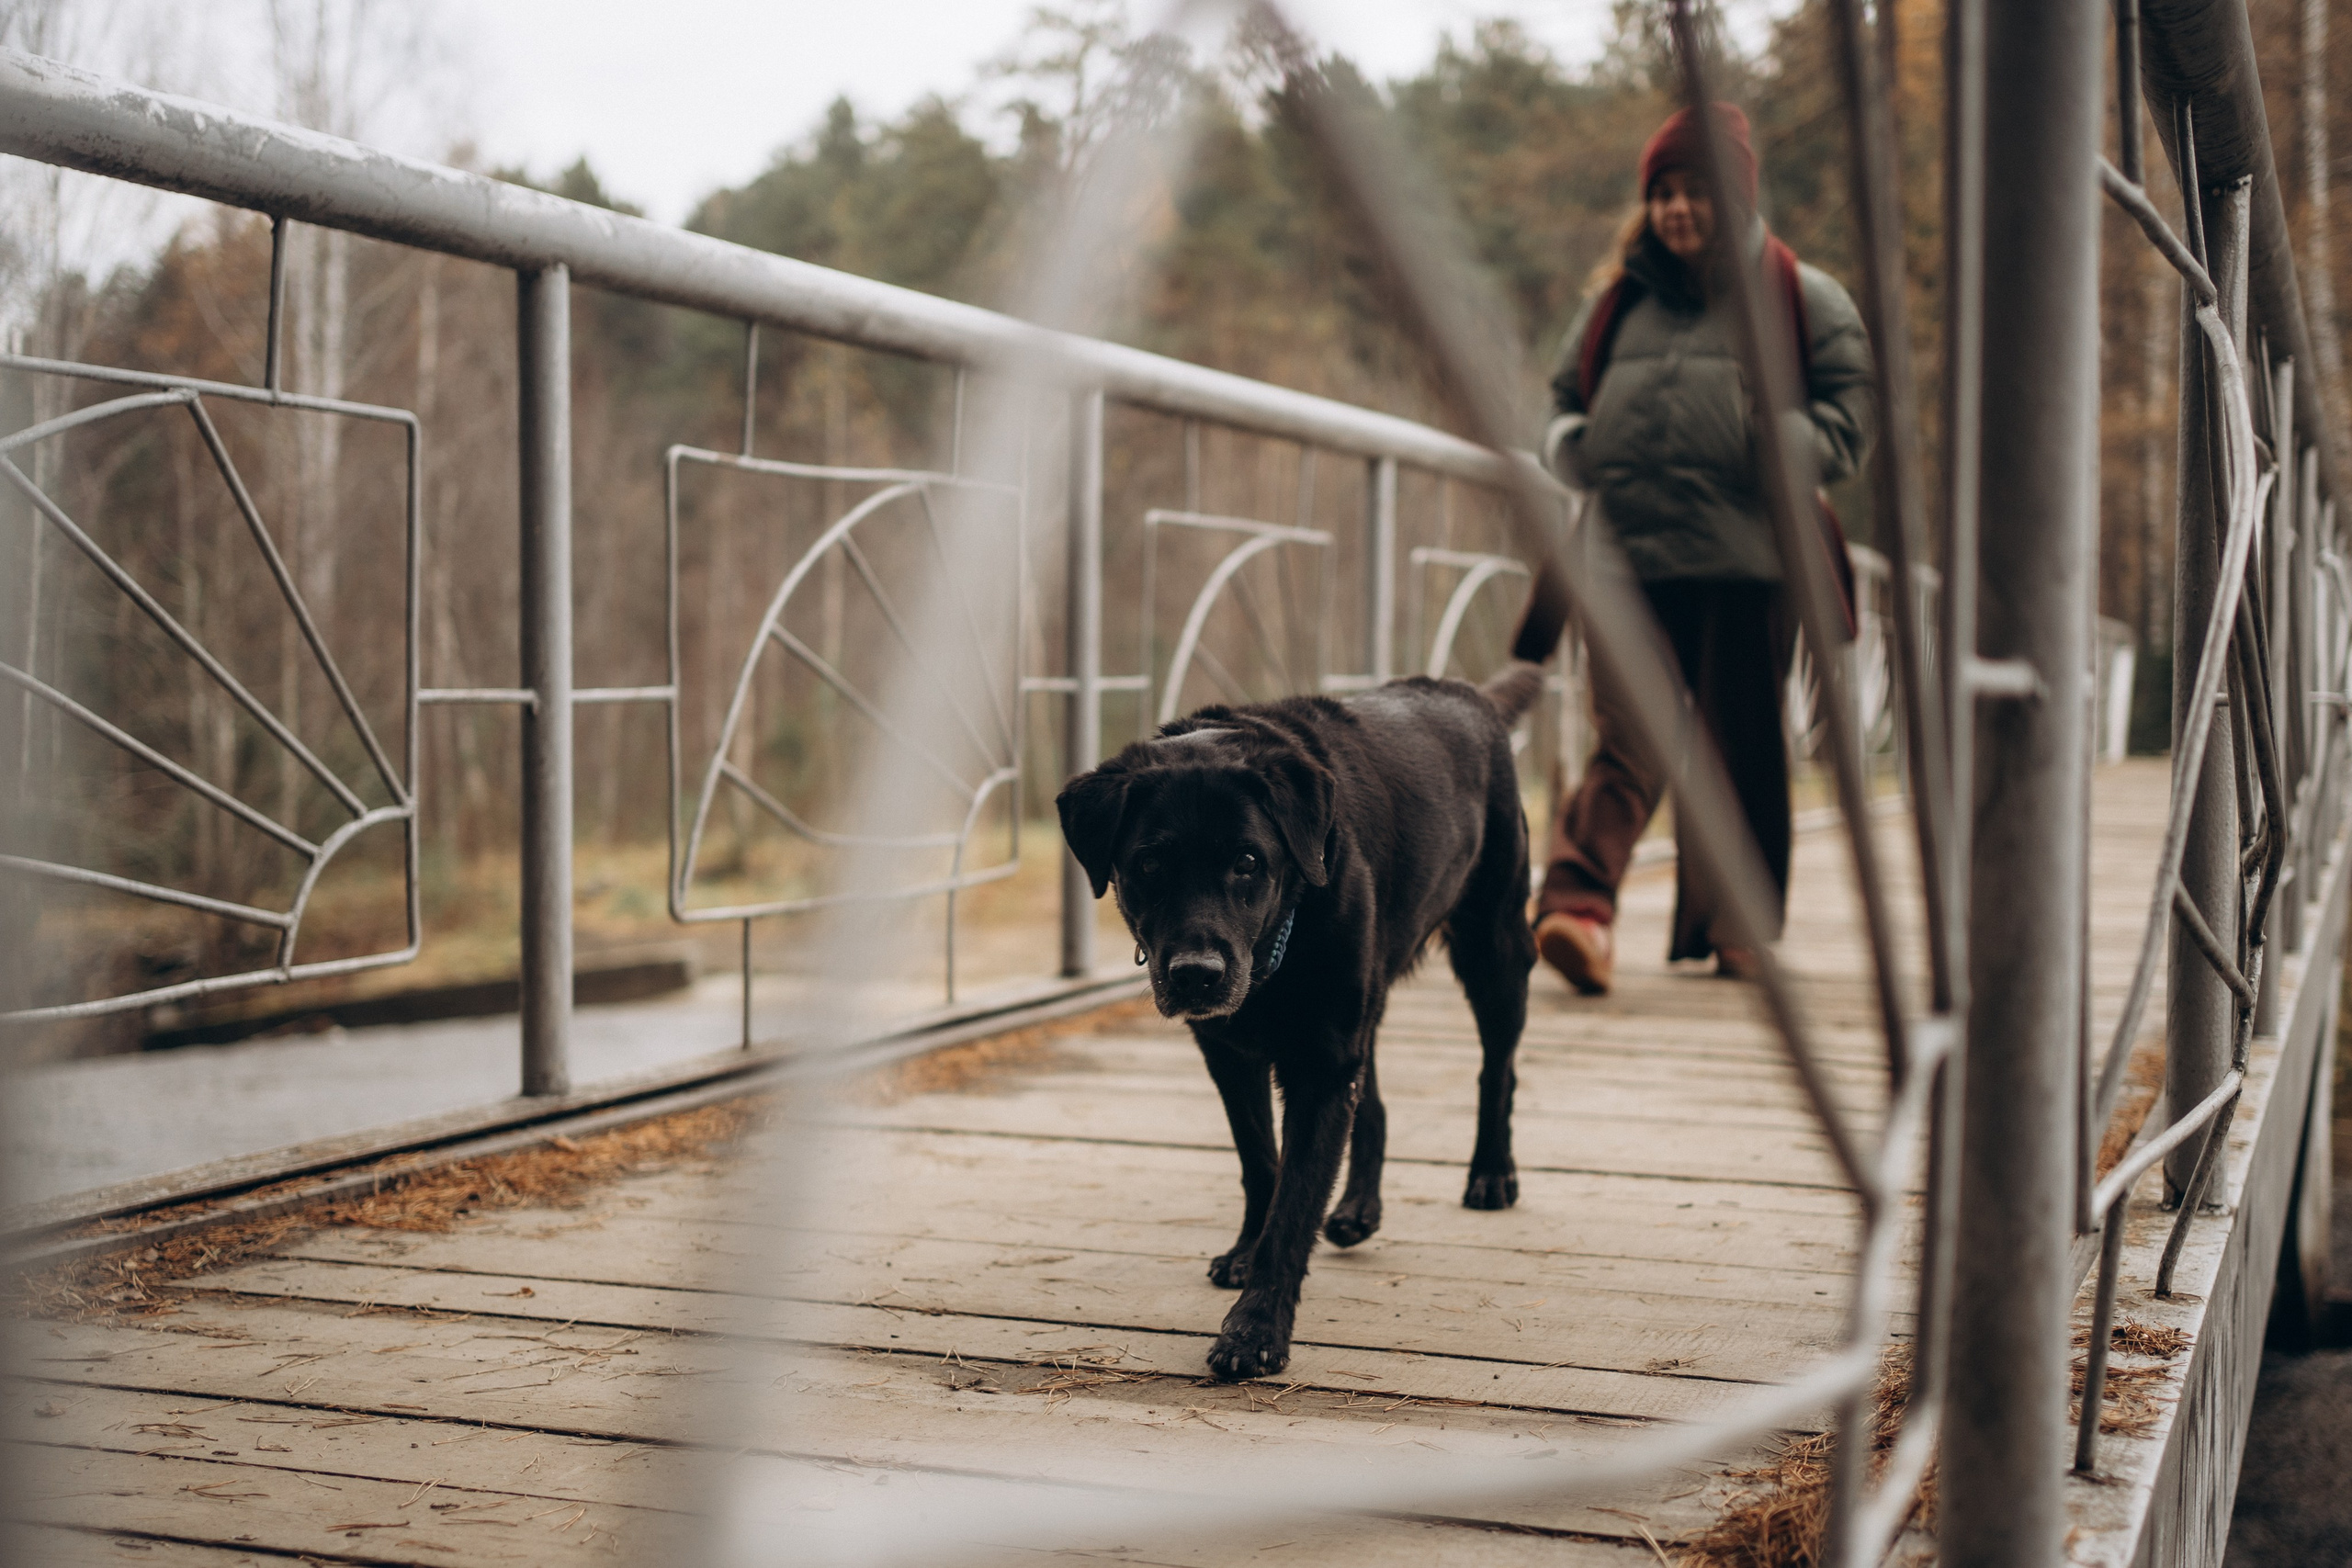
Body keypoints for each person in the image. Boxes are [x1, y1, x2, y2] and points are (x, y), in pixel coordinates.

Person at [1532, 102, 1873, 995]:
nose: (1678, 209)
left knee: (1741, 749)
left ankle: (1737, 930)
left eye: (1694, 192)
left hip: (1744, 562)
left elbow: (1851, 418)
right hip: (1622, 558)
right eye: (1663, 193)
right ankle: (1577, 913)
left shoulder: (1803, 297)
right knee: (1629, 739)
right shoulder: (1615, 302)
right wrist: (1574, 447)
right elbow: (1562, 399)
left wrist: (1771, 444)